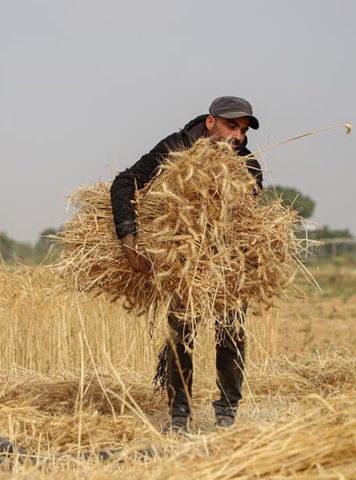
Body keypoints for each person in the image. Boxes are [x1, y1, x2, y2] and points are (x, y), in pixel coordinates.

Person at [110, 96, 263, 432]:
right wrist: (129, 239)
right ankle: (179, 415)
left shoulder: (247, 163)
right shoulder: (175, 147)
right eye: (230, 126)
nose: (236, 136)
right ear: (211, 122)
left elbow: (254, 214)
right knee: (181, 334)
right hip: (182, 263)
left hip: (227, 263)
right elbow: (124, 183)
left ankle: (226, 411)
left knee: (231, 332)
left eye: (242, 130)